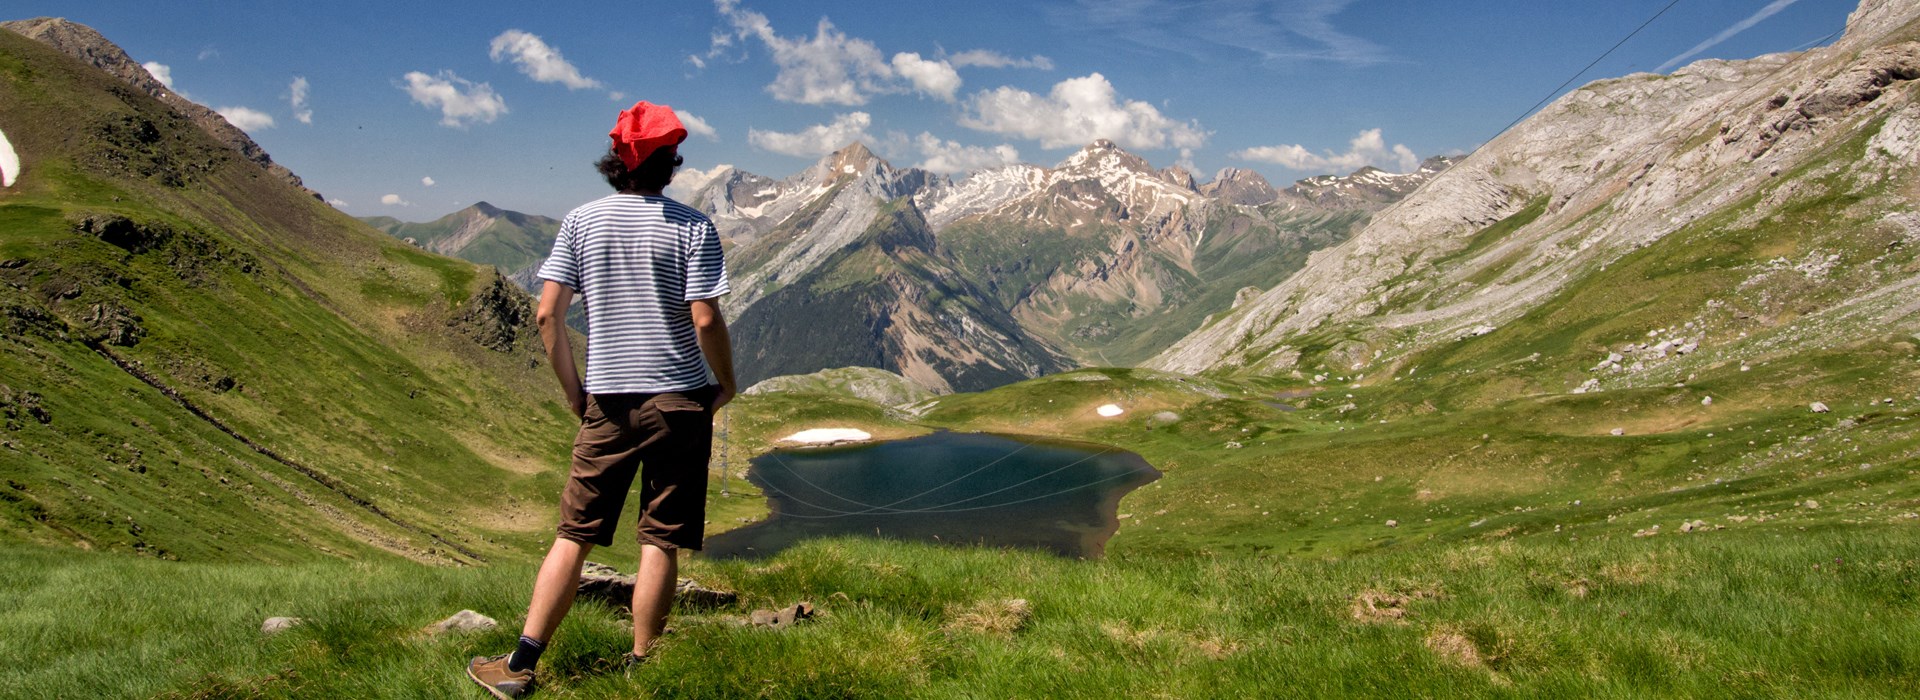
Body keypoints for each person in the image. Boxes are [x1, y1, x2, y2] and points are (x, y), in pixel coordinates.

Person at [467, 101, 736, 699]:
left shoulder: (580, 222)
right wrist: (727, 382)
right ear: (671, 162)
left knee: (575, 532)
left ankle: (519, 665)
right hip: (680, 400)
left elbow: (547, 315)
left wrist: (575, 393)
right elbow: (705, 317)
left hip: (607, 400)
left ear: (616, 161)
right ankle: (645, 666)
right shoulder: (693, 226)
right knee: (661, 537)